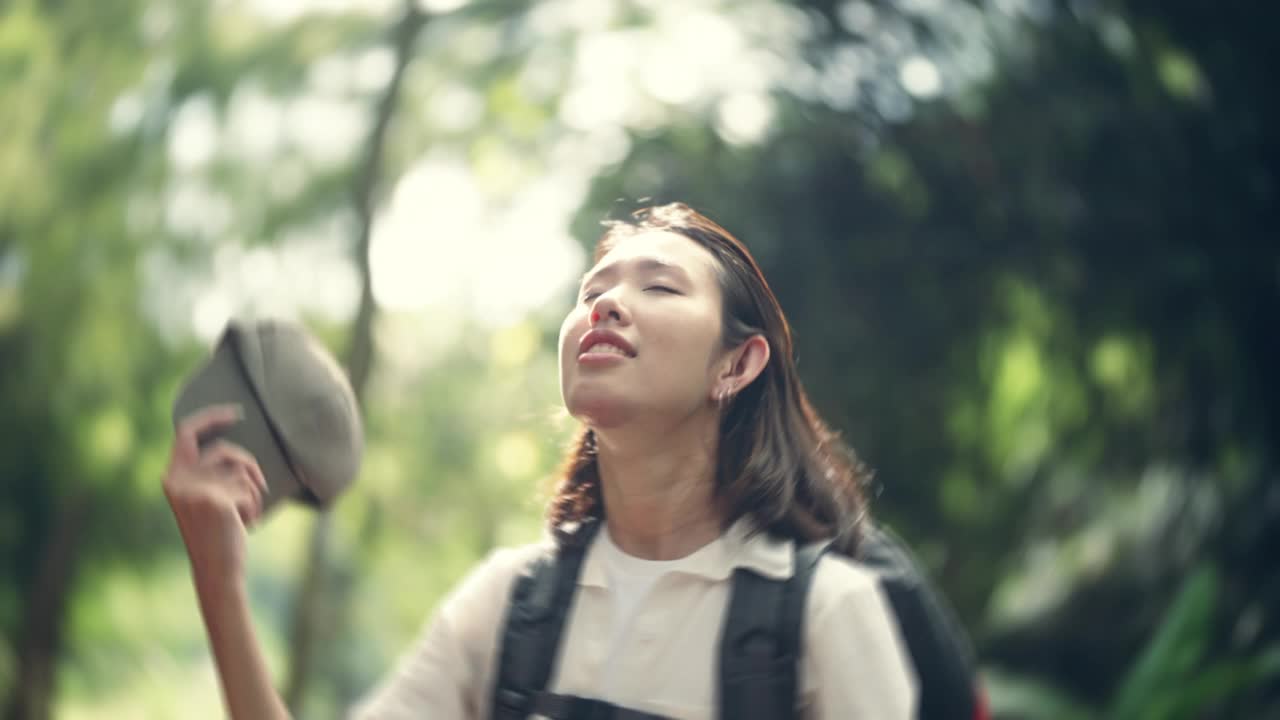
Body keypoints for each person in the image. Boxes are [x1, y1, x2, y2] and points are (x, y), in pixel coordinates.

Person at [164, 202, 918, 719]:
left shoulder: (826, 615)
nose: (606, 305)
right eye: (592, 291)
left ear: (738, 364)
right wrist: (218, 574)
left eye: (658, 287)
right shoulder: (504, 605)